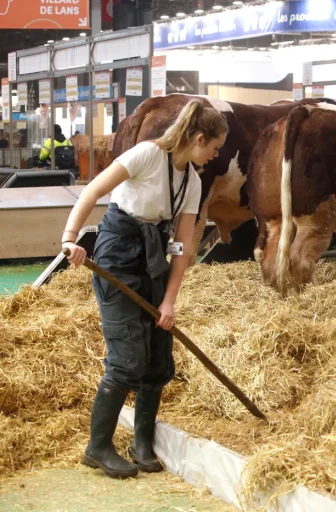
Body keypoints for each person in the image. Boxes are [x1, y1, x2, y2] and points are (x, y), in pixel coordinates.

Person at [62, 100, 228, 479]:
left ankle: (141, 441)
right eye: (214, 147)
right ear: (198, 138)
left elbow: (182, 247)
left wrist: (169, 301)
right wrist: (70, 239)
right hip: (117, 251)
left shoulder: (193, 181)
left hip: (154, 257)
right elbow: (91, 193)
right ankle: (98, 447)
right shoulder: (146, 155)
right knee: (127, 359)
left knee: (156, 356)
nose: (216, 155)